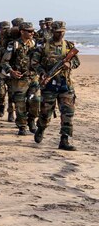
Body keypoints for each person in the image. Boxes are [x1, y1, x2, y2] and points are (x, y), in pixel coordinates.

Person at [30, 20, 80, 151]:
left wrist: (70, 64)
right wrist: (42, 73)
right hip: (50, 86)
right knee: (46, 113)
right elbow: (34, 62)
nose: (61, 34)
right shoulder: (43, 46)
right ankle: (40, 128)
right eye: (58, 32)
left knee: (68, 113)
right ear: (52, 31)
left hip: (65, 85)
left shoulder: (68, 45)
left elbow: (76, 61)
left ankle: (64, 139)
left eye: (63, 32)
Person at [1, 21, 40, 136]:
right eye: (29, 31)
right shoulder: (13, 45)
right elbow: (4, 61)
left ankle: (32, 120)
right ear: (22, 32)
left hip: (33, 77)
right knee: (20, 103)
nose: (32, 33)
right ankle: (22, 126)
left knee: (35, 100)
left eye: (33, 31)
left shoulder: (34, 44)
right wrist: (11, 71)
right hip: (19, 80)